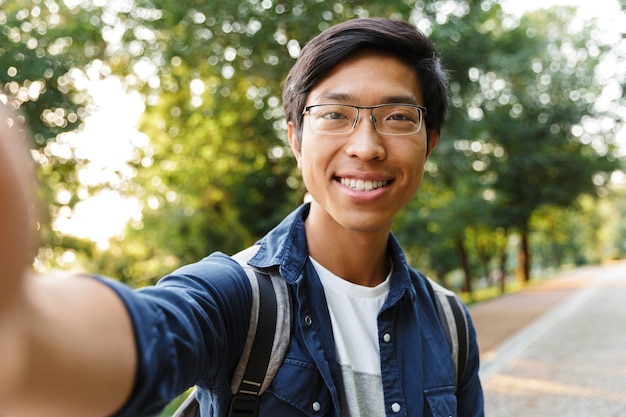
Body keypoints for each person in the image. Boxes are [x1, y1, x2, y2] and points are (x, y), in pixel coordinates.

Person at [0, 17, 484, 417]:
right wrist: (27, 332)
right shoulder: (237, 299)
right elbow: (151, 332)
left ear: (430, 142)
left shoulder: (449, 324)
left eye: (397, 117)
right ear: (296, 140)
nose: (366, 146)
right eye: (335, 115)